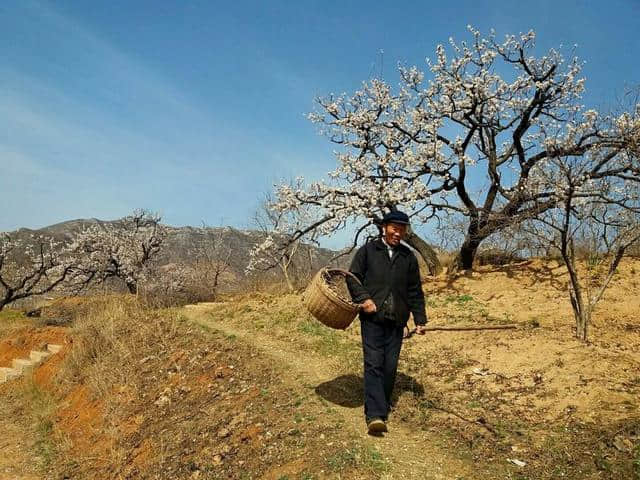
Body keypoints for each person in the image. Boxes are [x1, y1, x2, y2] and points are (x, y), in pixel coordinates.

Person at [346, 210, 428, 435]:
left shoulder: (408, 257)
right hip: (372, 319)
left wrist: (419, 319)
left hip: (397, 321)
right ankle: (375, 414)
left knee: (389, 366)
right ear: (384, 227)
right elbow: (352, 278)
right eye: (394, 228)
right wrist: (364, 299)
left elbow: (414, 291)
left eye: (402, 229)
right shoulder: (368, 251)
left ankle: (381, 403)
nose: (398, 233)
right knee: (374, 363)